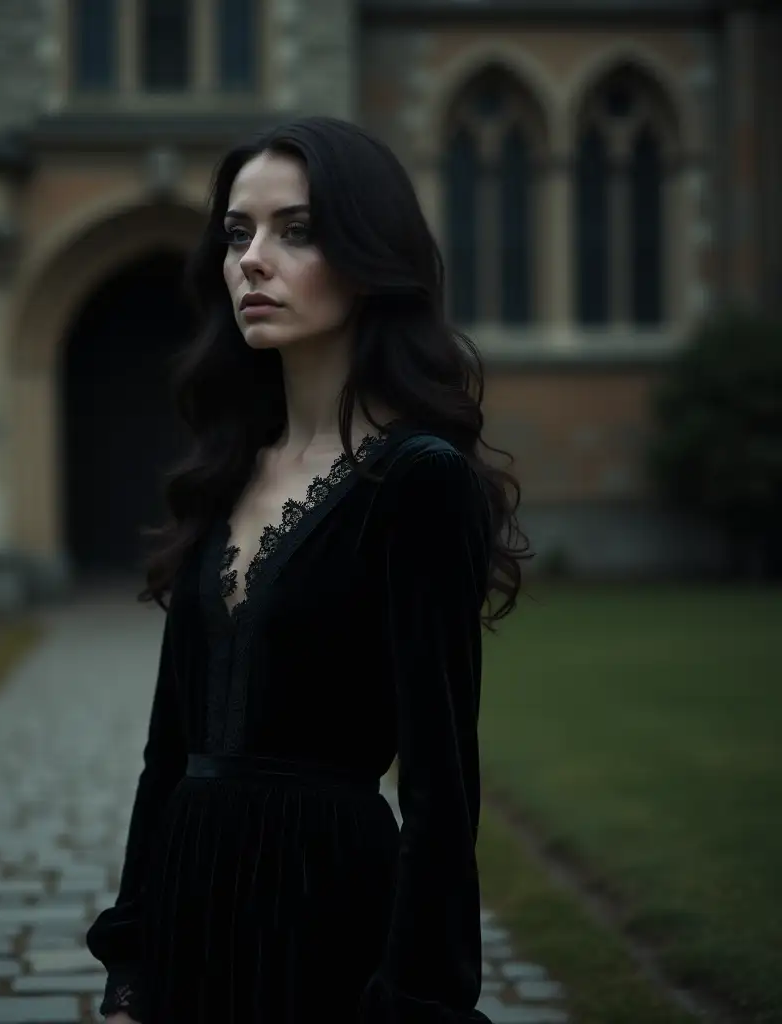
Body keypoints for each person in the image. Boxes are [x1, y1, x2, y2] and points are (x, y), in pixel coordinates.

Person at [87, 115, 531, 1024]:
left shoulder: (417, 483)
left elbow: (443, 790)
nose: (253, 259)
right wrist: (130, 964)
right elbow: (165, 755)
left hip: (326, 914)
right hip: (189, 917)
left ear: (371, 258)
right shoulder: (223, 472)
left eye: (295, 231)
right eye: (237, 233)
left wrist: (416, 997)